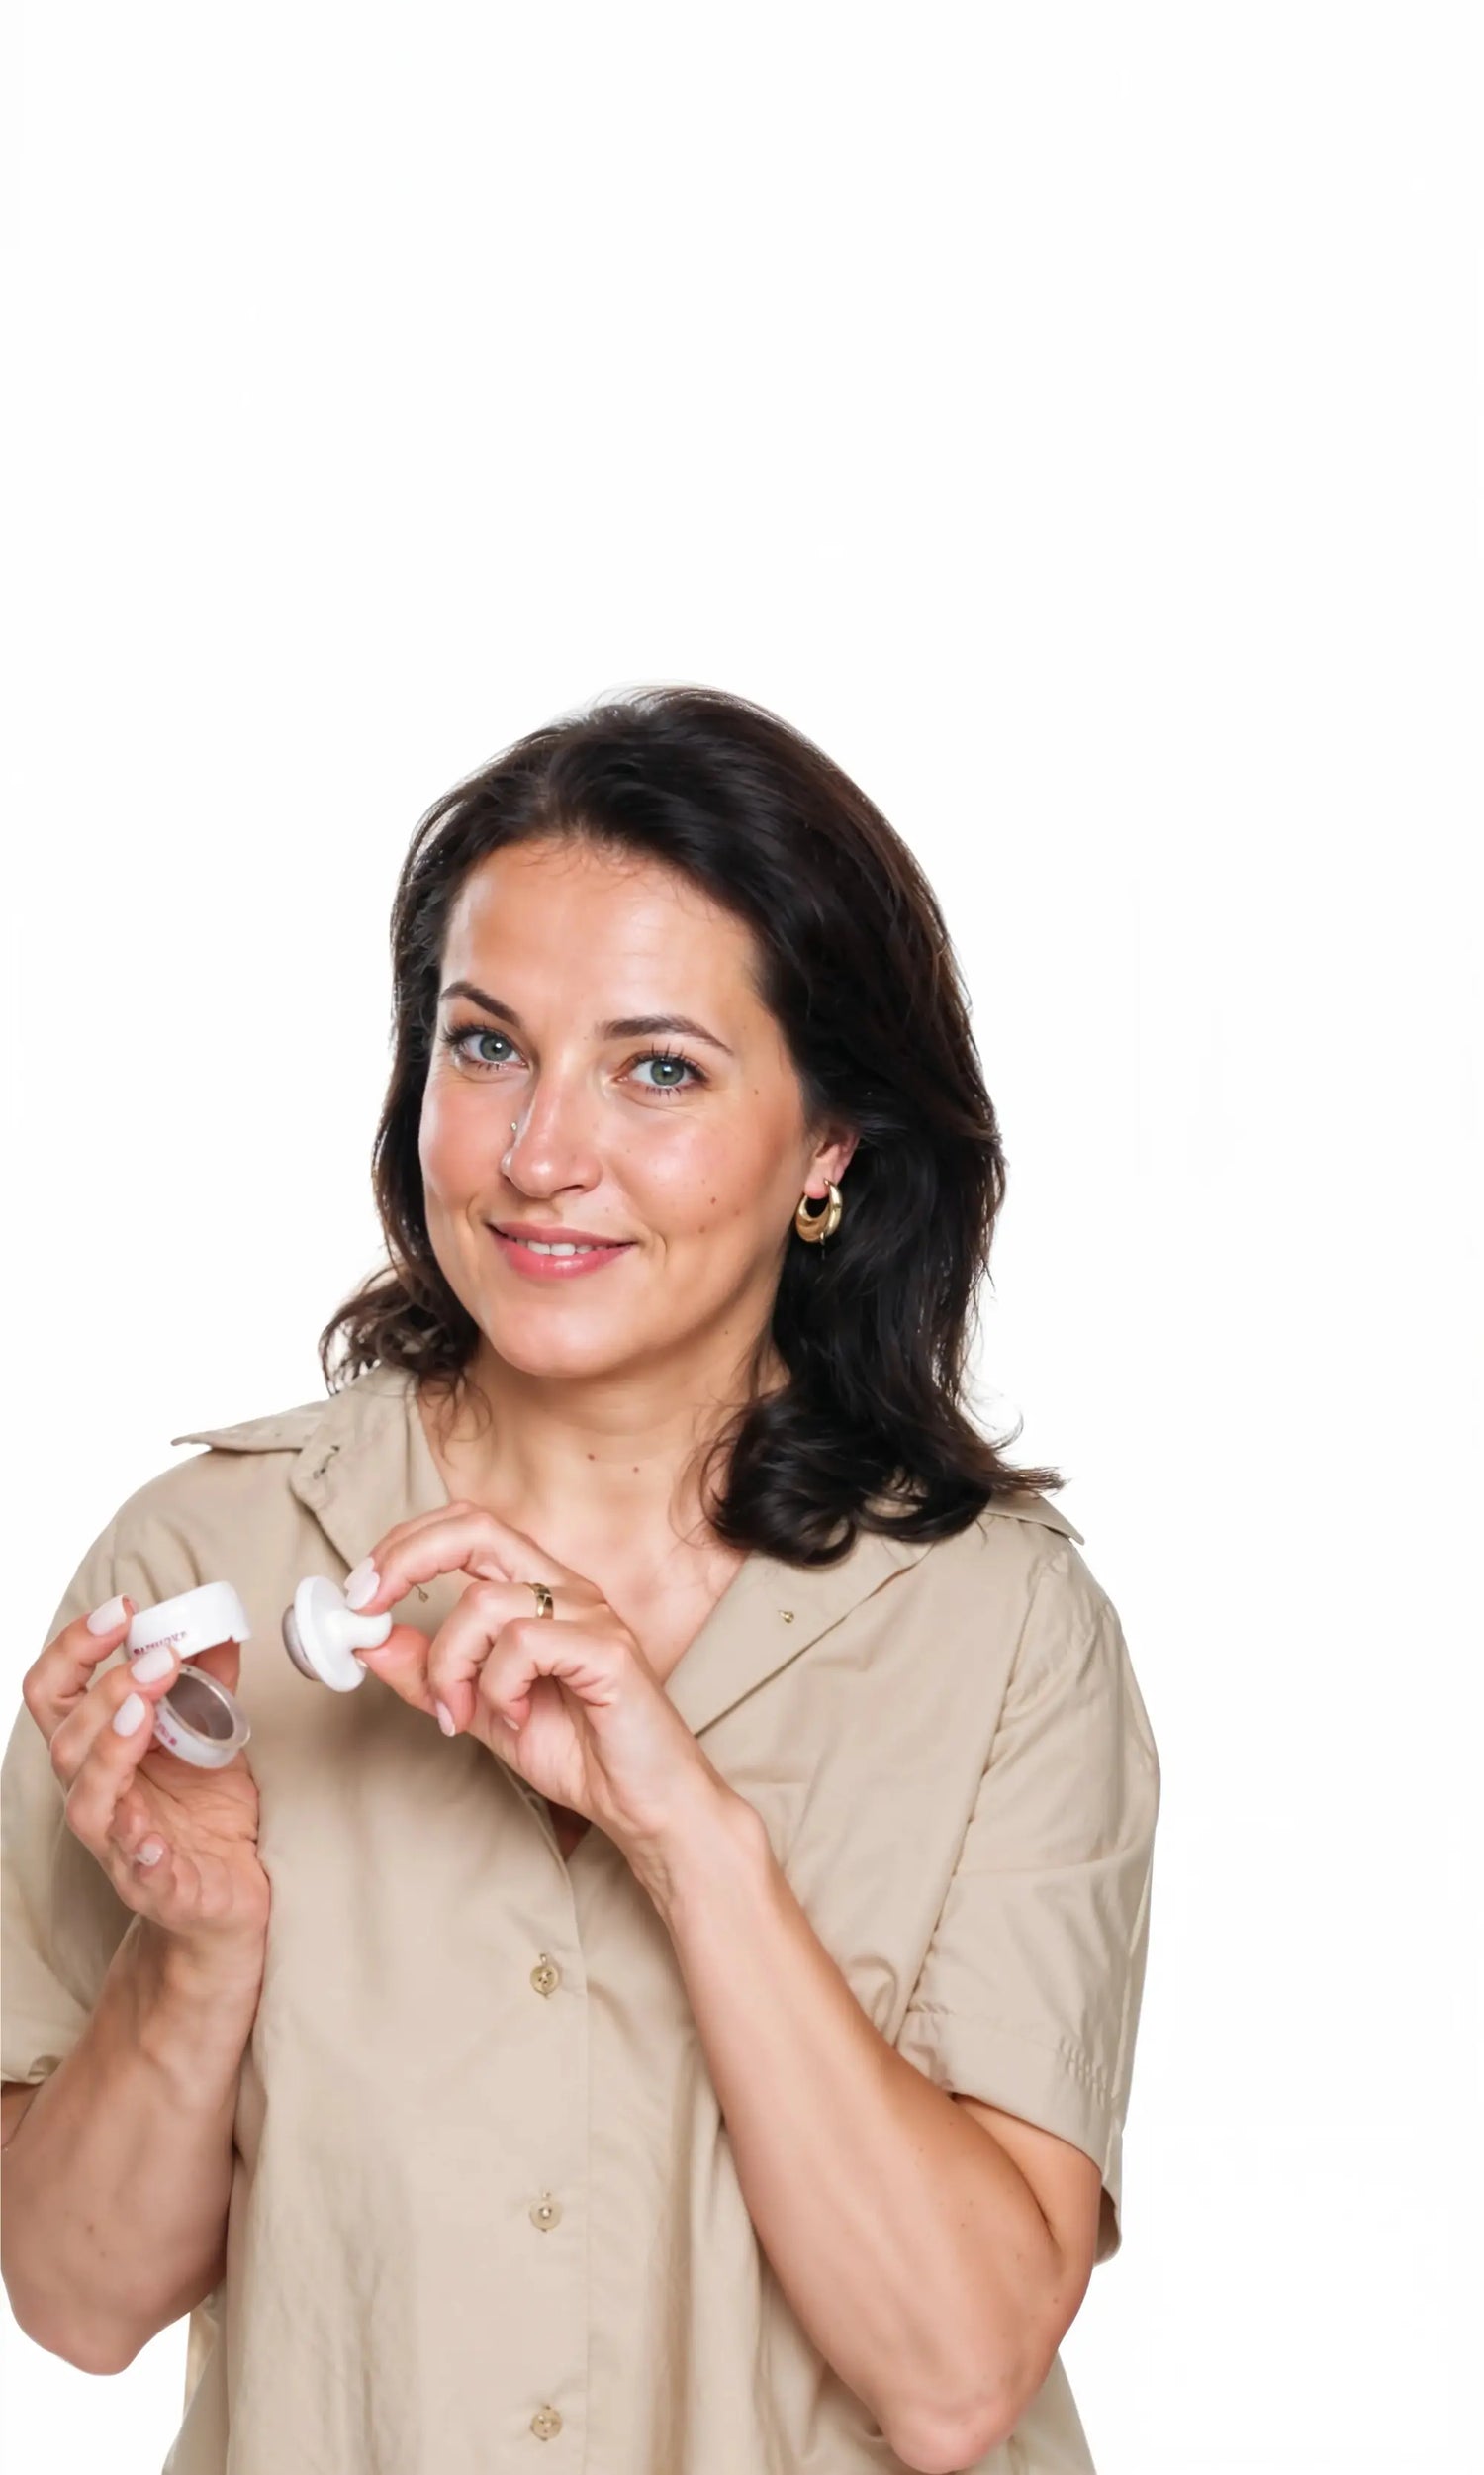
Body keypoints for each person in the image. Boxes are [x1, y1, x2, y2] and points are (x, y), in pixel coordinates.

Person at [1, 684, 1160, 2475]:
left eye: (659, 1068)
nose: (539, 1155)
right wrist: (198, 1950)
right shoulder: (201, 1575)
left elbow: (952, 2378)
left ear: (831, 1143)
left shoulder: (1002, 1631)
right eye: (487, 1046)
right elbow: (76, 2302)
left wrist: (687, 1833)